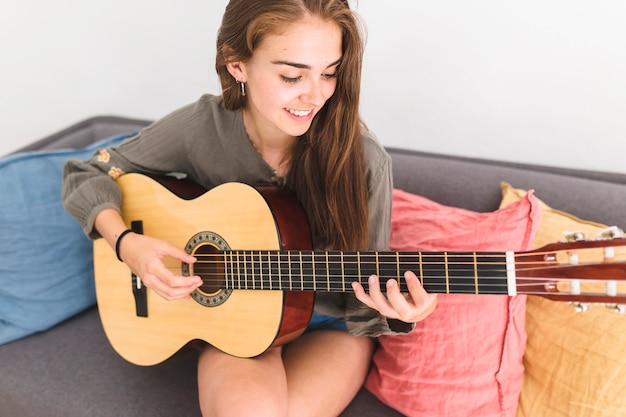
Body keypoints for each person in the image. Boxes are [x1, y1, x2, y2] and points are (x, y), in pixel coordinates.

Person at [63, 0, 437, 416]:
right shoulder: (202, 127)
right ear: (236, 63)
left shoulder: (365, 162)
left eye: (330, 73)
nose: (315, 95)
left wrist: (402, 313)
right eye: (291, 75)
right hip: (236, 324)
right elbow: (86, 172)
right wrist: (126, 244)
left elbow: (367, 305)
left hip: (327, 327)